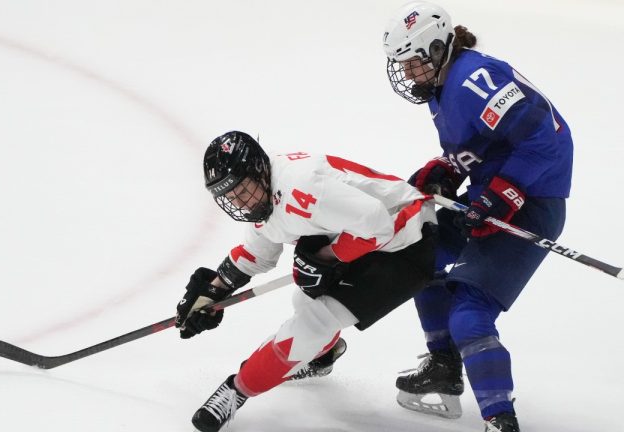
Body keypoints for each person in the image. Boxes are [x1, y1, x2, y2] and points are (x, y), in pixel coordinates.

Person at [382, 2, 574, 432]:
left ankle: (499, 419)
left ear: (436, 49)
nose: (409, 74)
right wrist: (450, 169)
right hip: (493, 195)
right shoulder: (445, 86)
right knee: (419, 253)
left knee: (469, 313)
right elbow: (491, 142)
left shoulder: (472, 80)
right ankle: (444, 368)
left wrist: (503, 193)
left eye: (414, 63)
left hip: (534, 204)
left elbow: (549, 139)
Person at [176, 130, 440, 432]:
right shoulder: (266, 191)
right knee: (306, 300)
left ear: (258, 171)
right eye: (230, 196)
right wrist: (215, 288)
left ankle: (236, 392)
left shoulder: (302, 187)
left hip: (407, 240)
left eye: (242, 190)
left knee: (313, 323)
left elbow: (377, 223)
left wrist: (327, 256)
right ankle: (322, 356)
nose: (240, 201)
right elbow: (259, 250)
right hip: (366, 237)